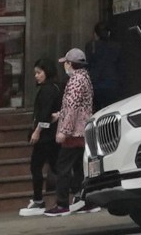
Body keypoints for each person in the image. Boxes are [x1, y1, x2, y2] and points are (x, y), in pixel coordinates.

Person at [52, 47, 95, 215]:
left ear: (70, 64)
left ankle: (62, 204)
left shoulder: (75, 81)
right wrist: (60, 114)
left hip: (73, 133)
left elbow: (72, 107)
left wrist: (63, 131)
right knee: (79, 167)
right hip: (83, 130)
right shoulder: (86, 78)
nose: (65, 66)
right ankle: (84, 200)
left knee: (62, 167)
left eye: (66, 63)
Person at [20, 58, 63, 217]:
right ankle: (65, 197)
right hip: (53, 134)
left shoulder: (46, 90)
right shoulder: (57, 87)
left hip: (46, 136)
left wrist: (37, 131)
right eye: (35, 73)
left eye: (39, 72)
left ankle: (38, 200)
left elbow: (44, 116)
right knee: (57, 167)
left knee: (36, 166)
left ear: (47, 72)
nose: (37, 76)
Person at [85, 21, 125, 113]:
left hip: (95, 84)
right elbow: (120, 66)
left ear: (95, 34)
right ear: (109, 33)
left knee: (97, 111)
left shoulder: (91, 46)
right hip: (112, 84)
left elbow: (88, 64)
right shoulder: (116, 46)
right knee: (112, 110)